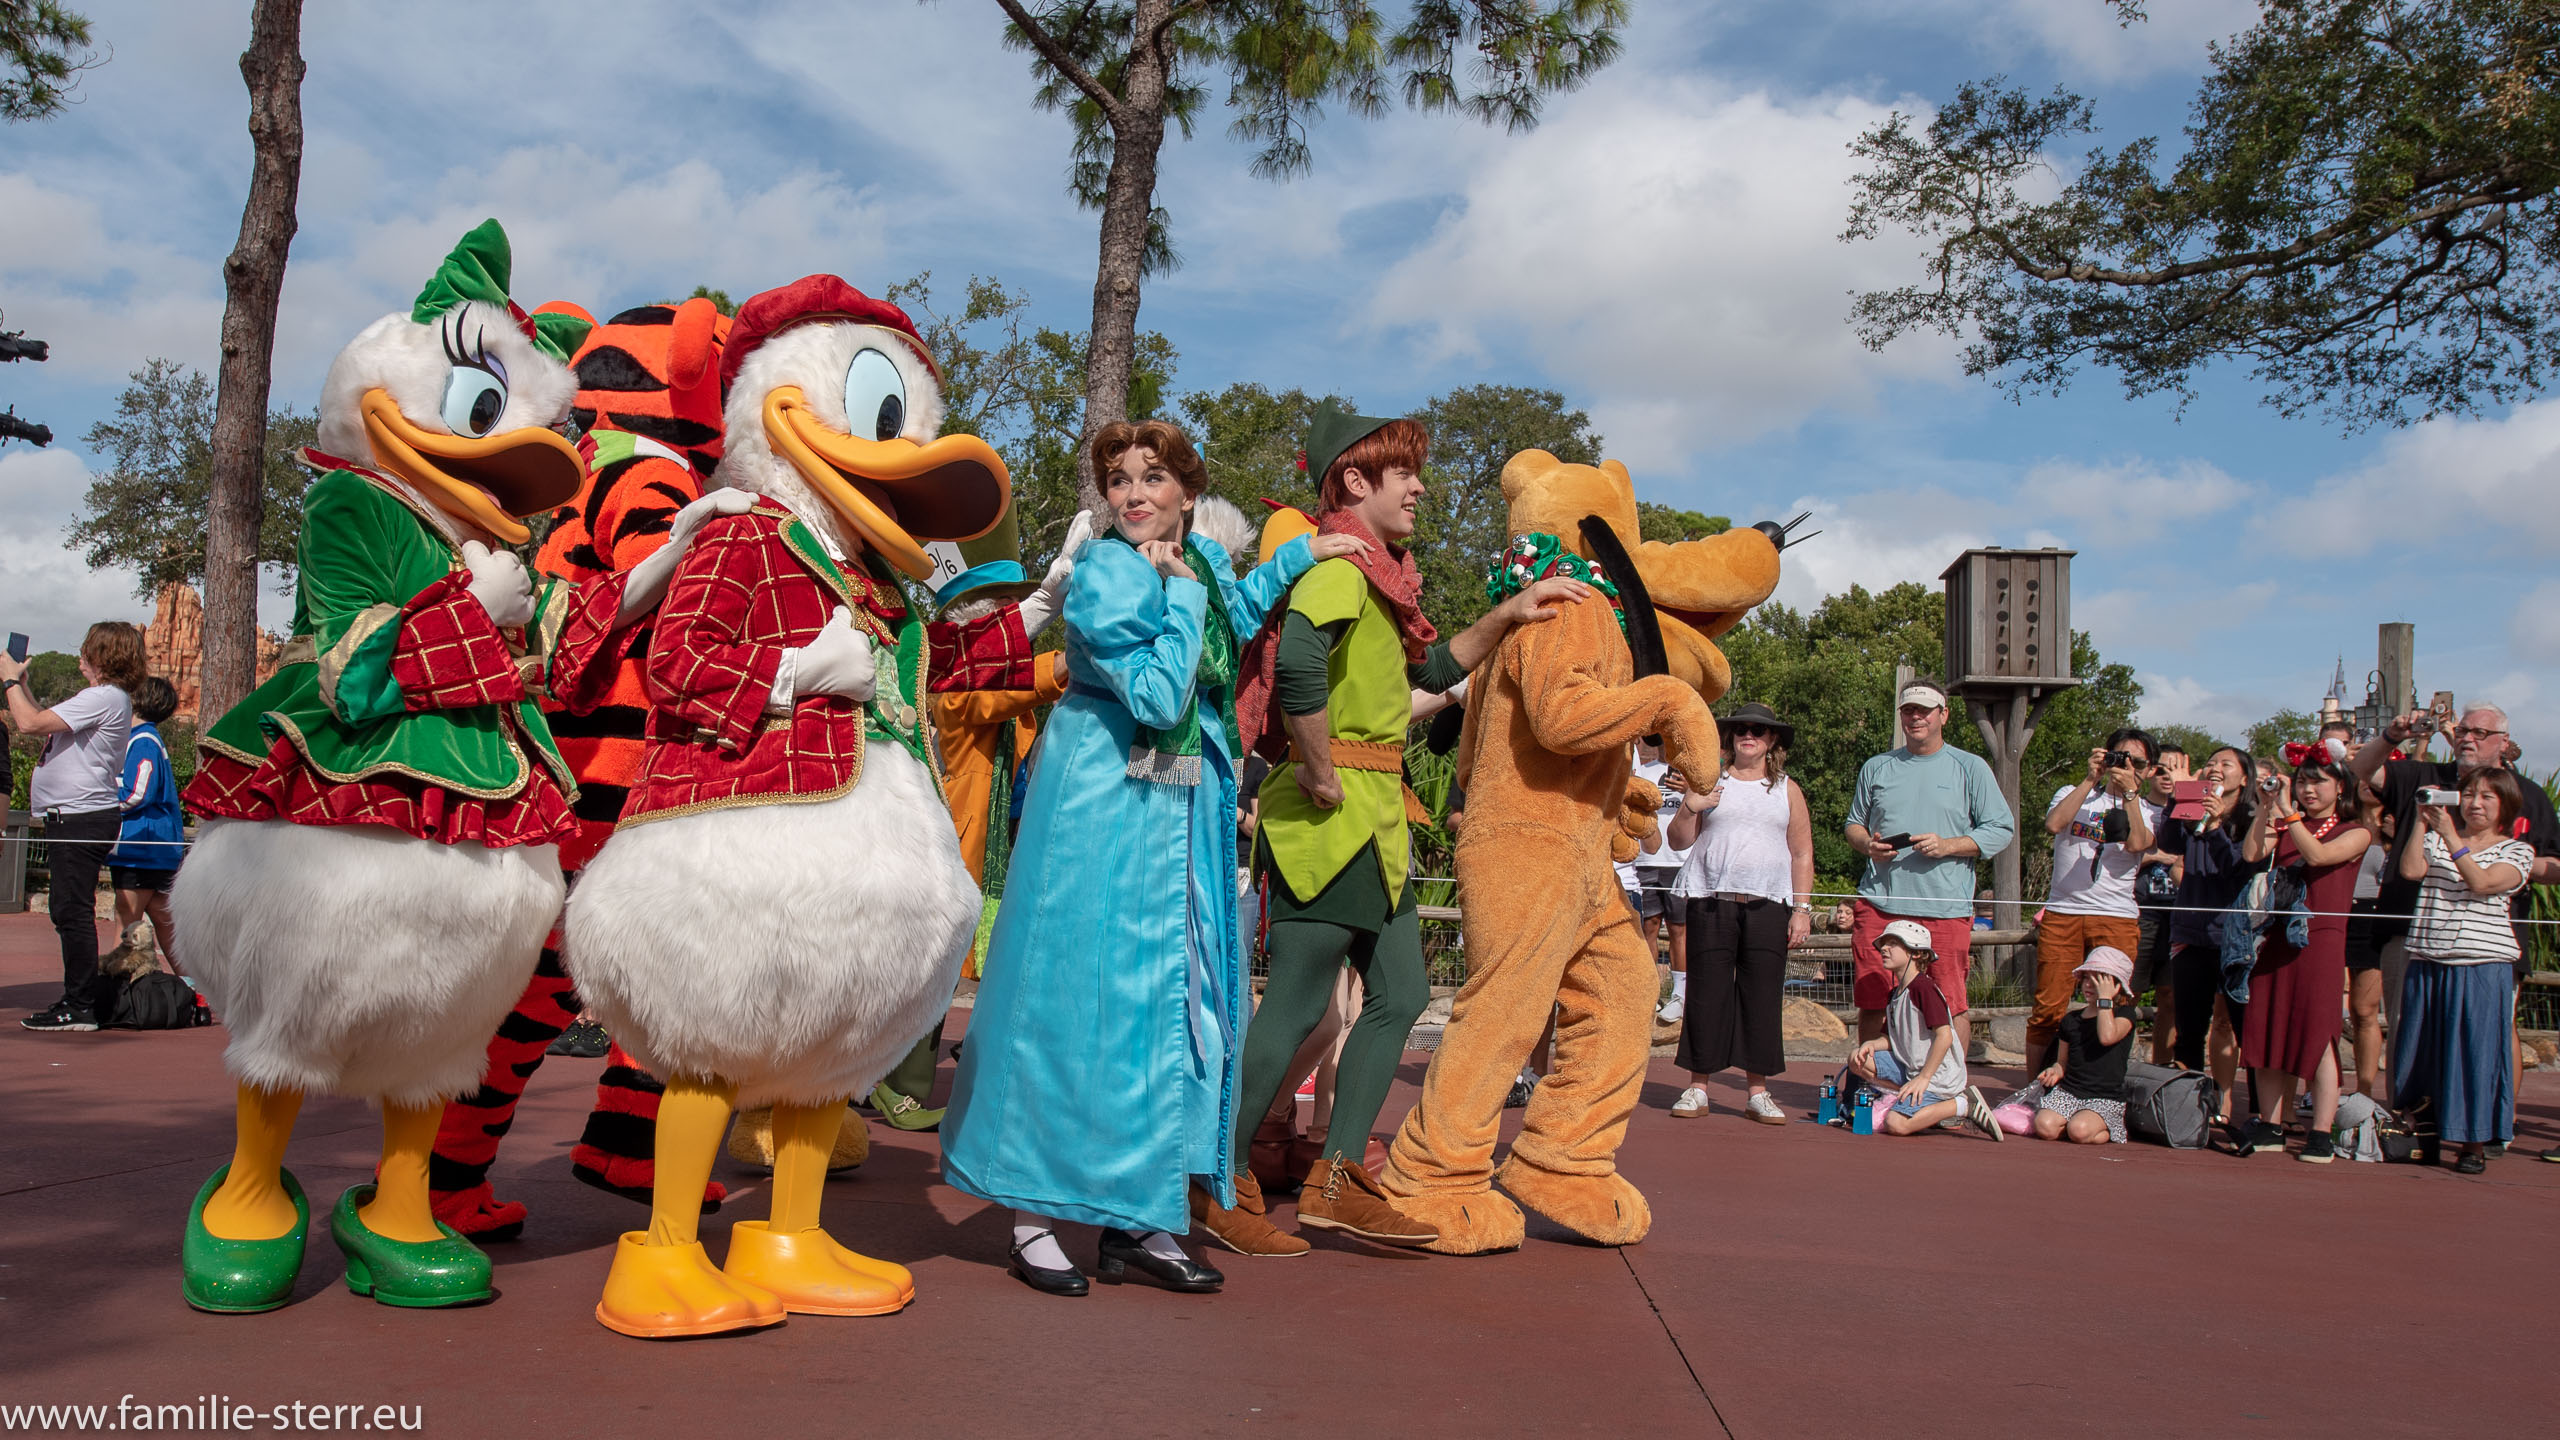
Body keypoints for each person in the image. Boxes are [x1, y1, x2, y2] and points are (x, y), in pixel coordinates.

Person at [940, 418, 1362, 1295]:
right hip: (1103, 802)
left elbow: (1229, 625)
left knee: (1174, 1003)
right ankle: (1028, 1214)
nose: (1133, 494)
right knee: (1076, 995)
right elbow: (1159, 688)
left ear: (1186, 493)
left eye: (1152, 478)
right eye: (1120, 480)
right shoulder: (1102, 573)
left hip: (1178, 812)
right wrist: (1178, 597)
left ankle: (1139, 1216)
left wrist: (1297, 559)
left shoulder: (1194, 566)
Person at [1202, 403, 1585, 1256]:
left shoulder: (1383, 577)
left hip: (1378, 826)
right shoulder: (1340, 567)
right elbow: (1299, 660)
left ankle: (1336, 1181)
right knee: (1300, 1001)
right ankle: (1217, 1178)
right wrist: (1314, 764)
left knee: (1404, 996)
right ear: (1352, 481)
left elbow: (1433, 673)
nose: (1419, 485)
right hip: (1335, 816)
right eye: (1401, 471)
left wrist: (1513, 612)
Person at [1664, 701, 1813, 1123]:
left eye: (1759, 731)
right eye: (1742, 729)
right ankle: (1697, 1088)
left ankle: (1758, 1092)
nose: (1750, 735)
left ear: (1772, 742)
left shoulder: (1788, 790)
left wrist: (1801, 910)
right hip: (1712, 901)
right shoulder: (1711, 783)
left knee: (1762, 998)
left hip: (1769, 906)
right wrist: (1691, 805)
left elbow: (1801, 852)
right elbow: (1677, 841)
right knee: (1706, 993)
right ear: (1731, 738)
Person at [1842, 681, 2016, 1042]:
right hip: (1880, 905)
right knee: (1874, 1001)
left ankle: (1952, 1089)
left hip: (1945, 908)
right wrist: (1868, 846)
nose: (1916, 716)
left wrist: (1948, 845)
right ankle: (1869, 1088)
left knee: (1949, 1004)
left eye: (1924, 709)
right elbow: (1853, 825)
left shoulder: (1971, 767)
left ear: (1944, 715)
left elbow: (2001, 830)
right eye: (1908, 710)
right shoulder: (1877, 767)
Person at [4, 621, 144, 1032]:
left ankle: (79, 1005)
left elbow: (28, 724)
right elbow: (40, 717)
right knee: (69, 910)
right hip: (76, 814)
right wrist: (23, 685)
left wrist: (10, 680)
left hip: (80, 815)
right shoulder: (106, 698)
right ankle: (78, 999)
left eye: (87, 649)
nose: (80, 655)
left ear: (103, 657)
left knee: (71, 911)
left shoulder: (102, 697)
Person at [2394, 767, 2534, 1173]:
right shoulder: (2439, 839)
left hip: (2482, 963)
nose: (2475, 803)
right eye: (2469, 794)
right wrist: (2422, 825)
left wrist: (2452, 837)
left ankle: (2473, 1144)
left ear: (2505, 805)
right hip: (2428, 957)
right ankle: (2425, 1136)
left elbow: (2484, 883)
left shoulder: (2516, 850)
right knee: (2422, 1052)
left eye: (2487, 797)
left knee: (2476, 1054)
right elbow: (2410, 870)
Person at [2236, 752, 2372, 1161]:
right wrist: (2264, 807)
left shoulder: (2356, 830)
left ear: (2340, 788)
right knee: (2268, 1024)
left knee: (2319, 1030)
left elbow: (2319, 857)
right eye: (2303, 782)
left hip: (2322, 939)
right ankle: (2271, 1123)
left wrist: (2290, 817)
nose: (2308, 790)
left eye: (2319, 783)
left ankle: (2321, 1131)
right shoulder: (2286, 822)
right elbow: (2251, 854)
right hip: (2275, 936)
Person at [2027, 728, 2160, 1075]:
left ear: (2148, 770)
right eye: (2120, 757)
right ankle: (2031, 1089)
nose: (2127, 766)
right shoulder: (2073, 793)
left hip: (2116, 915)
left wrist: (2130, 793)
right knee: (2047, 1008)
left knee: (2114, 1005)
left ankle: (2101, 1088)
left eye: (2138, 763)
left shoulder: (2148, 808)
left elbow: (2137, 844)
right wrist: (2091, 779)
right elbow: (2054, 823)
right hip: (2064, 911)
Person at [2154, 746, 2263, 1125]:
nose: (2215, 769)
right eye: (2211, 763)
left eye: (2226, 765)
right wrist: (2176, 798)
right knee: (2189, 1028)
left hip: (2234, 938)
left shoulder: (2252, 817)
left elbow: (2238, 870)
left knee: (2241, 1026)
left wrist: (2216, 828)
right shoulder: (2192, 807)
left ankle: (2260, 1112)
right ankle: (2191, 1111)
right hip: (2189, 933)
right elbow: (2167, 843)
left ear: (2244, 778)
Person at [1843, 921, 2001, 1139]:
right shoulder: (1896, 993)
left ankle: (1963, 1105)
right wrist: (1871, 1044)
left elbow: (1944, 1035)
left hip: (1937, 1076)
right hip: (1911, 1070)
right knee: (1857, 1059)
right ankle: (1909, 1098)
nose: (1884, 949)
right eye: (1884, 944)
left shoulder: (1924, 988)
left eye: (1893, 944)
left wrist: (1925, 1077)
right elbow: (1890, 1038)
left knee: (1896, 1124)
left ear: (1916, 953)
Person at [108, 674, 185, 976]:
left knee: (126, 923)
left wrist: (100, 796)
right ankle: (197, 993)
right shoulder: (149, 739)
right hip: (158, 849)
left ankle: (112, 993)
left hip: (140, 848)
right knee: (167, 929)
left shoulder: (142, 740)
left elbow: (137, 793)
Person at [2031, 946, 2137, 1143]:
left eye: (2098, 980)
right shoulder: (2071, 1020)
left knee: (2079, 1131)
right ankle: (2074, 1125)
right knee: (2044, 1127)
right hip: (2071, 1091)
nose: (2089, 985)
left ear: (2116, 986)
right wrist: (2054, 1071)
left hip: (2105, 1097)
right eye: (2087, 978)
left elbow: (2107, 1036)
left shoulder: (2125, 1015)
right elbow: (2062, 1062)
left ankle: (2107, 1129)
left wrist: (2105, 1000)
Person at [1627, 736, 1689, 1020]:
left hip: (1680, 862)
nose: (1667, 745)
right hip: (1647, 860)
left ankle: (1680, 994)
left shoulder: (1691, 775)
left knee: (1679, 929)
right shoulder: (1646, 772)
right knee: (1648, 927)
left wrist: (1689, 791)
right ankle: (1651, 993)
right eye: (1662, 740)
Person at [2343, 780, 2396, 1098]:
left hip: (2375, 917)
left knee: (2364, 1010)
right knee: (2324, 1009)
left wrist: (2395, 832)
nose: (2368, 785)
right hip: (2336, 913)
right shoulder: (2342, 822)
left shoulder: (2397, 827)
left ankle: (2364, 1091)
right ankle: (2316, 1089)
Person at [2135, 746, 2186, 1063]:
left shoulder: (2190, 809)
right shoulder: (2136, 806)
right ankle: (2117, 1070)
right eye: (2162, 769)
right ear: (2150, 771)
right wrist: (2157, 855)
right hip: (2140, 911)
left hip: (2179, 914)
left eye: (2176, 770)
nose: (2168, 777)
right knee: (2130, 992)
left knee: (2170, 996)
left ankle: (2162, 1068)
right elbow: (2118, 854)